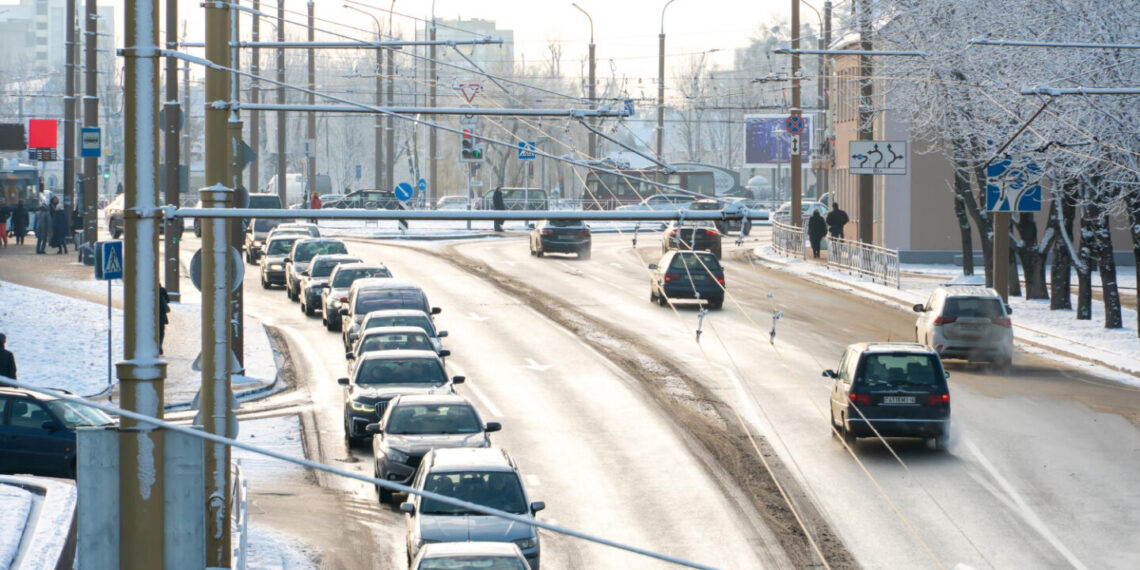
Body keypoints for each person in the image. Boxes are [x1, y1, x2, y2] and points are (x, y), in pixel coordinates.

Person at [159, 285, 171, 355]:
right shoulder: (162, 290)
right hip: (161, 315)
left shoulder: (146, 290)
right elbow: (168, 300)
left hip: (150, 315)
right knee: (161, 331)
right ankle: (159, 346)